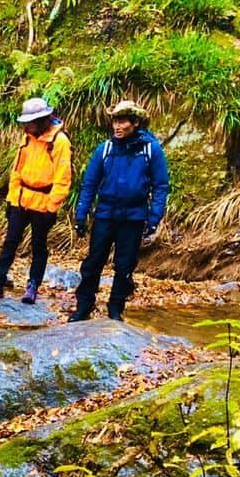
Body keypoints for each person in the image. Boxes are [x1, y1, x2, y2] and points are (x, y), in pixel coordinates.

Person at [69, 100, 170, 322]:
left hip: (133, 218)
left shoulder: (150, 149)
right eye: (115, 120)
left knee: (124, 266)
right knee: (93, 262)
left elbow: (161, 186)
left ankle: (115, 309)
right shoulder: (104, 149)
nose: (117, 125)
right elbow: (89, 184)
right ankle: (83, 305)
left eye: (122, 121)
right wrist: (81, 214)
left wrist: (154, 218)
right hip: (105, 214)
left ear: (135, 123)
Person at [0, 97, 72, 305]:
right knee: (10, 243)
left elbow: (63, 178)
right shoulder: (28, 138)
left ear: (42, 120)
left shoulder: (59, 142)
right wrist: (12, 199)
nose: (26, 126)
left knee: (38, 245)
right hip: (21, 200)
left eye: (30, 122)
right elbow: (17, 170)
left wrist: (52, 206)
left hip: (43, 202)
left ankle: (33, 286)